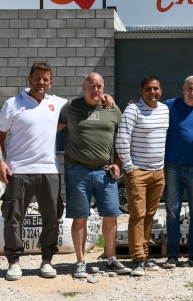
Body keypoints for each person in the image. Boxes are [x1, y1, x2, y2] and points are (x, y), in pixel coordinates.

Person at [0, 61, 113, 281]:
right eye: (37, 78)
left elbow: (86, 102)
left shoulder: (58, 104)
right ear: (29, 80)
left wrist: (104, 97)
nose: (41, 82)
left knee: (51, 218)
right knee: (13, 217)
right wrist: (0, 161)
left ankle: (47, 261)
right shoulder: (12, 104)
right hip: (18, 170)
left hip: (49, 170)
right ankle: (14, 263)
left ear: (51, 82)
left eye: (45, 79)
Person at [57, 72, 131, 278]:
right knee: (80, 216)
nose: (95, 89)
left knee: (110, 215)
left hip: (104, 171)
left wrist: (117, 163)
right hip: (77, 170)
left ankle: (111, 259)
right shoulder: (71, 107)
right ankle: (80, 262)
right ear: (83, 86)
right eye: (91, 85)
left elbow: (121, 139)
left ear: (103, 88)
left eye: (99, 86)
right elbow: (52, 128)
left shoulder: (113, 109)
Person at [115, 76, 169, 276]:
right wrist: (129, 168)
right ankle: (137, 258)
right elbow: (121, 140)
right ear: (141, 91)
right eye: (148, 89)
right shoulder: (132, 110)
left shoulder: (165, 110)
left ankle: (144, 255)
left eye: (156, 88)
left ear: (160, 91)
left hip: (158, 172)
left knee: (149, 215)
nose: (152, 92)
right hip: (138, 171)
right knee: (137, 214)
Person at [161, 76, 193, 269]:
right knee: (172, 212)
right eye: (190, 89)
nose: (192, 93)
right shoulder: (169, 105)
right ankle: (173, 254)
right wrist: (135, 102)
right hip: (173, 165)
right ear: (183, 89)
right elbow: (150, 106)